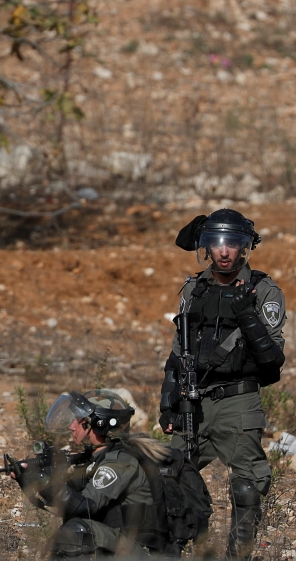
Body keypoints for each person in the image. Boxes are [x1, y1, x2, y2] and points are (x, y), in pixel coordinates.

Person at [159, 209, 287, 560]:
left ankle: (237, 555)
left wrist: (248, 316)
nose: (225, 251)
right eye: (217, 244)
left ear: (244, 247)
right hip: (193, 400)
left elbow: (273, 362)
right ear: (207, 248)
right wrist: (168, 402)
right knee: (170, 476)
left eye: (232, 243)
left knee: (247, 485)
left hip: (238, 400)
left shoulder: (264, 290)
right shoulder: (193, 289)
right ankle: (172, 549)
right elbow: (177, 354)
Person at [14, 390, 167, 559]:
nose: (72, 426)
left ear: (99, 424)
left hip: (140, 552)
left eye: (79, 420)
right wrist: (29, 478)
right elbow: (65, 502)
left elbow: (81, 508)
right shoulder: (96, 460)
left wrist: (42, 480)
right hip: (119, 545)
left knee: (76, 532)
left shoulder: (120, 462)